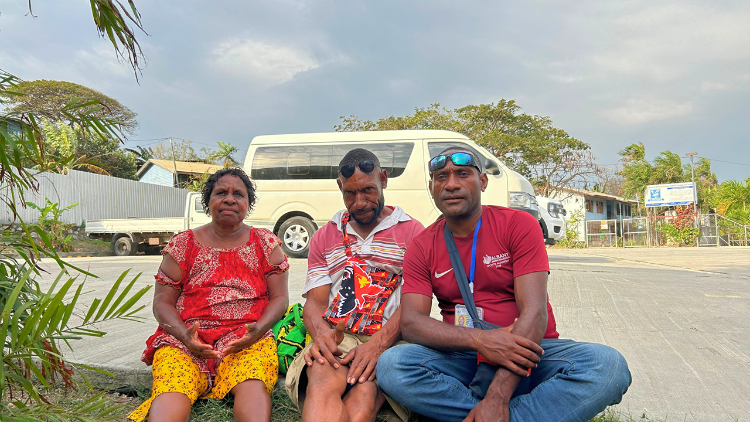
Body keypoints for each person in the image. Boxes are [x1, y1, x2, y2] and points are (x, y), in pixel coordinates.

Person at [376, 147, 631, 422]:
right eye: (441, 177)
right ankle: (510, 414)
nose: (451, 184)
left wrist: (498, 395)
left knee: (608, 366)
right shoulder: (422, 245)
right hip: (467, 355)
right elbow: (412, 323)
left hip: (533, 351)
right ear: (432, 187)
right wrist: (481, 340)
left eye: (463, 174)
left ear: (482, 181)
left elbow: (534, 312)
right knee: (393, 366)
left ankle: (491, 411)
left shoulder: (518, 224)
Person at [128, 168, 289, 422]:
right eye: (221, 192)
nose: (229, 199)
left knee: (253, 384)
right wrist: (185, 336)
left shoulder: (265, 243)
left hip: (247, 339)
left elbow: (280, 298)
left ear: (248, 203)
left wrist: (257, 331)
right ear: (208, 201)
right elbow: (162, 302)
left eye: (239, 194)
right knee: (172, 387)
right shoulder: (183, 245)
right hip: (186, 339)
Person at [285, 148, 424, 422]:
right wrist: (322, 335)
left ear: (383, 179)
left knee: (362, 403)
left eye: (368, 190)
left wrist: (379, 345)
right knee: (323, 383)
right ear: (340, 187)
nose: (360, 202)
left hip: (389, 339)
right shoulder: (326, 234)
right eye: (350, 193)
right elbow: (314, 303)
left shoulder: (413, 232)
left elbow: (414, 304)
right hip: (340, 336)